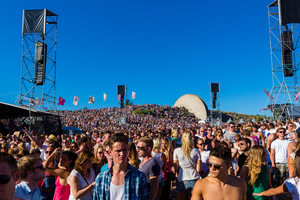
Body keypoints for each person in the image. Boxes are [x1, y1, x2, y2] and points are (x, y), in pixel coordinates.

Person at [93, 133, 149, 200]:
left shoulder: (139, 177)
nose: (122, 154)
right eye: (118, 151)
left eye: (124, 150)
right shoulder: (101, 178)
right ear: (110, 152)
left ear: (128, 149)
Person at [174, 131, 201, 200]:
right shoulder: (196, 151)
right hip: (194, 178)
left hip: (182, 179)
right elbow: (198, 169)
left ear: (182, 139)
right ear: (191, 139)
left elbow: (176, 168)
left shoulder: (177, 151)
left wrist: (177, 174)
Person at [137, 136, 160, 200]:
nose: (137, 150)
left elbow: (154, 188)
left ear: (148, 149)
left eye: (140, 148)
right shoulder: (142, 160)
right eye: (137, 147)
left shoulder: (153, 164)